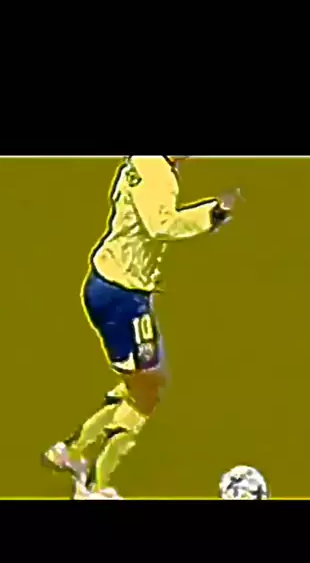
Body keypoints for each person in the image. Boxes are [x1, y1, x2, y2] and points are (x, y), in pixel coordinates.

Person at [43, 155, 237, 500]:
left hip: (108, 285)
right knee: (146, 395)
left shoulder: (143, 161)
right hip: (123, 298)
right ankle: (94, 487)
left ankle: (72, 451)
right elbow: (160, 225)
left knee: (141, 384)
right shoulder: (158, 173)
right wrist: (213, 214)